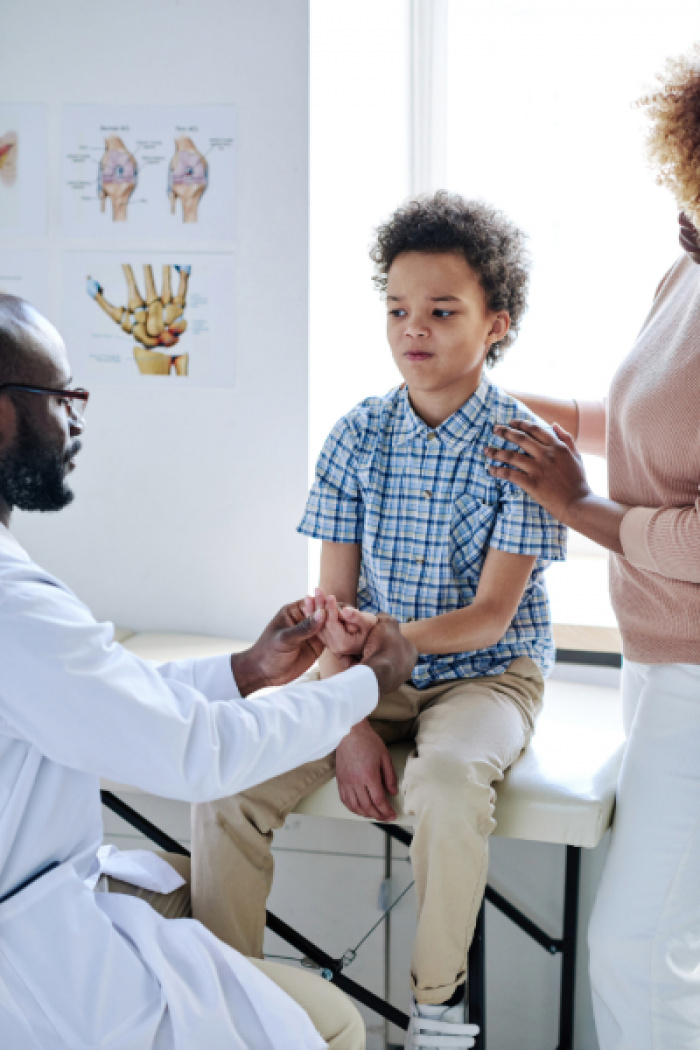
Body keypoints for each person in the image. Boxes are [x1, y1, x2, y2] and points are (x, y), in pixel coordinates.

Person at [193, 192, 567, 1050]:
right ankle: (219, 999)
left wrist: (382, 653)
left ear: (496, 323)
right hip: (363, 672)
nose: (415, 329)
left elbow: (490, 616)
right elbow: (334, 606)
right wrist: (348, 714)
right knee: (227, 781)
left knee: (443, 785)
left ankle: (435, 1010)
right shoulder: (358, 434)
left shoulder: (527, 445)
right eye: (398, 310)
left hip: (486, 674)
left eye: (443, 310)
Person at [0, 291, 418, 1050]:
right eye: (66, 398)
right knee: (328, 1027)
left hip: (37, 921)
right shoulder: (11, 604)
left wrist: (247, 668)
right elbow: (196, 755)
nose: (77, 424)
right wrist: (365, 683)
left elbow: (98, 698)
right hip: (34, 974)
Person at [484, 47, 700, 1050]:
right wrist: (524, 409)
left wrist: (576, 506)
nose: (681, 221)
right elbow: (651, 421)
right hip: (658, 661)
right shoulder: (686, 265)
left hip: (695, 673)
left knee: (629, 952)